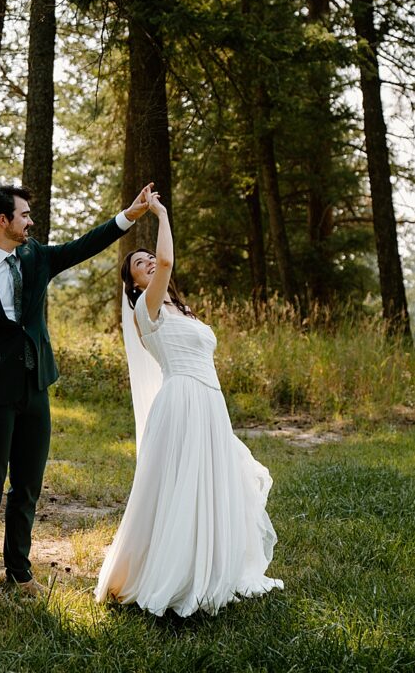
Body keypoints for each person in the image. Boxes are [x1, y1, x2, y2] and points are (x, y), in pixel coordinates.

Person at [0, 182, 153, 615]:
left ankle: (19, 573)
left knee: (27, 487)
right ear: (3, 220)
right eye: (24, 215)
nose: (30, 222)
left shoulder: (35, 256)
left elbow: (82, 246)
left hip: (35, 388)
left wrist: (128, 216)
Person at [95, 188, 283, 617]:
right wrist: (160, 214)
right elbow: (167, 262)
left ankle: (212, 563)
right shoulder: (147, 309)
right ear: (134, 283)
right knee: (181, 486)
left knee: (208, 483)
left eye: (148, 258)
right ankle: (173, 572)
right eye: (138, 264)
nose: (148, 262)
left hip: (210, 401)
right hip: (181, 400)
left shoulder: (181, 310)